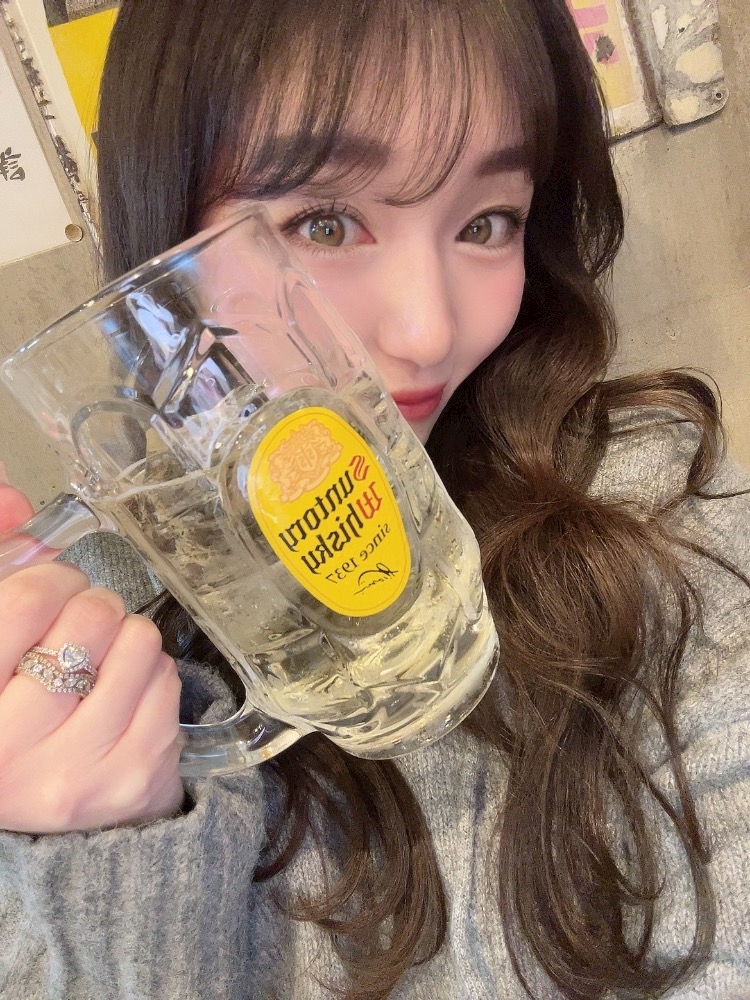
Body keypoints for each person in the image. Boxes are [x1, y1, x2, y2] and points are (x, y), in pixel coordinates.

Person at [1, 0, 749, 997]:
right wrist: (117, 861)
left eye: (486, 222)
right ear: (162, 257)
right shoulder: (73, 676)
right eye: (324, 223)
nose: (428, 331)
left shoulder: (658, 531)